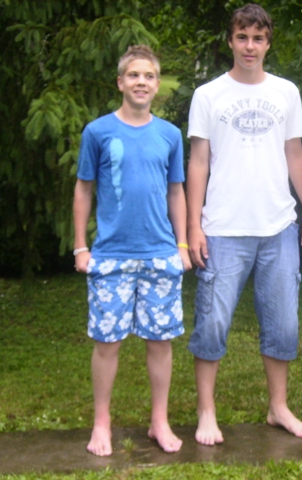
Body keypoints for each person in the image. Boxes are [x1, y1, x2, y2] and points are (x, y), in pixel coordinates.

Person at [186, 3, 302, 446]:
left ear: (268, 43)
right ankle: (206, 412)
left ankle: (278, 407)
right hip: (222, 228)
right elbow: (198, 161)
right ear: (230, 41)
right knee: (212, 323)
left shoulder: (286, 92)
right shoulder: (208, 95)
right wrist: (194, 226)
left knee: (283, 325)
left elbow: (295, 155)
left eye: (258, 38)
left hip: (278, 227)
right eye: (242, 37)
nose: (249, 46)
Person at [73, 45, 191, 456]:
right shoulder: (98, 132)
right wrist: (80, 247)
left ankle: (159, 421)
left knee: (160, 342)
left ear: (157, 85)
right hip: (111, 257)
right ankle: (101, 423)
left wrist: (182, 245)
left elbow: (176, 191)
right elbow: (83, 189)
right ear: (121, 82)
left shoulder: (170, 135)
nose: (142, 82)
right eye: (134, 75)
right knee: (108, 343)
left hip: (160, 254)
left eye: (149, 76)